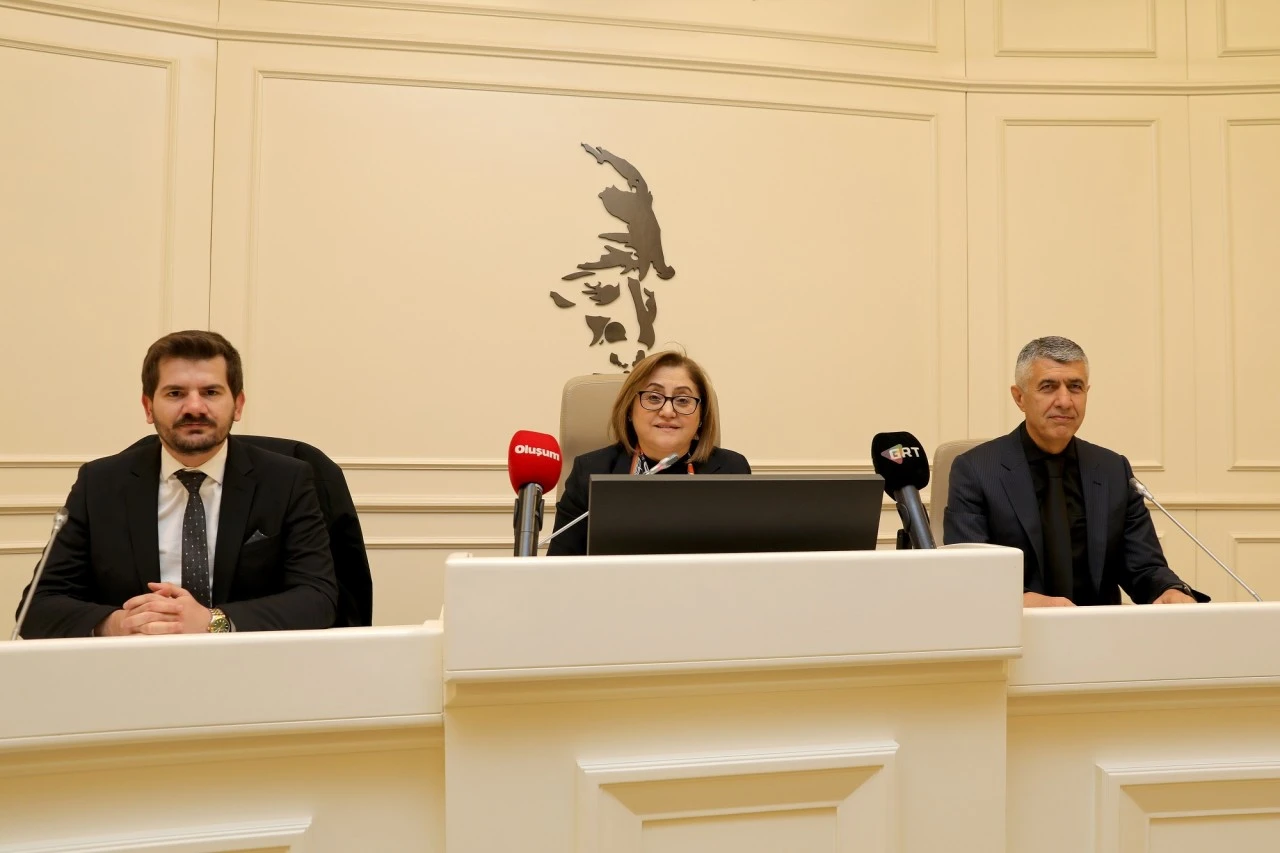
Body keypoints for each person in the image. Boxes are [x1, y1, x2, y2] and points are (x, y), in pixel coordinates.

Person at [16, 331, 339, 638]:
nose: (194, 407)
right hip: (133, 665)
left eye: (211, 392)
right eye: (175, 393)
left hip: (249, 664)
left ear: (238, 405)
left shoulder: (286, 480)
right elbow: (37, 607)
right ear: (148, 407)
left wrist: (213, 621)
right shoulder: (99, 484)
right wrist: (118, 624)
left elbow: (318, 598)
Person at [944, 336, 1207, 607]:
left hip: (1098, 629)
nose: (1065, 401)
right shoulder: (975, 470)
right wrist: (1023, 601)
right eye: (1048, 387)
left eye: (1075, 387)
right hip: (1016, 627)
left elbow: (1144, 567)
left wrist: (1169, 590)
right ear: (1019, 397)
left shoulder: (1112, 469)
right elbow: (970, 573)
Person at [547, 350, 751, 556]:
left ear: (701, 416)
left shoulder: (732, 469)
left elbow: (749, 565)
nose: (668, 412)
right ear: (629, 409)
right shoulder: (589, 471)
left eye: (683, 400)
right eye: (653, 397)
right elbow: (560, 567)